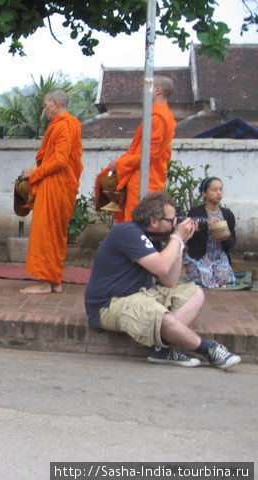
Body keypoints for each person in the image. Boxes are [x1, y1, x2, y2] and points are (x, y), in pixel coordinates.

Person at [84, 191, 241, 370]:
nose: (175, 223)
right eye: (171, 220)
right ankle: (209, 349)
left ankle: (161, 348)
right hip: (111, 303)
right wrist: (177, 237)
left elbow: (169, 281)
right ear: (154, 221)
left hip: (142, 294)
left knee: (195, 293)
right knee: (160, 315)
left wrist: (181, 244)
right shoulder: (127, 232)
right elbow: (161, 267)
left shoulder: (154, 236)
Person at [20, 89, 83, 294]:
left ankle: (45, 282)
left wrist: (34, 173)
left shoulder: (65, 125)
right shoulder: (67, 124)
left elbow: (60, 160)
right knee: (55, 234)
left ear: (55, 103)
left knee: (46, 233)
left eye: (46, 105)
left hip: (55, 186)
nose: (45, 109)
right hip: (58, 186)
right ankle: (54, 280)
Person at [106, 75, 176, 222]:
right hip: (149, 175)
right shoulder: (163, 114)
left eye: (146, 88)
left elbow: (148, 155)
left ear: (156, 90)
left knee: (136, 223)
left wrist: (119, 163)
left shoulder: (158, 117)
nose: (143, 92)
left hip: (144, 178)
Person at [183, 176, 237, 288]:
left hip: (219, 257)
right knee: (205, 280)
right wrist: (206, 224)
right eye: (214, 190)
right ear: (204, 193)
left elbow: (233, 240)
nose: (219, 193)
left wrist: (227, 238)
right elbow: (189, 235)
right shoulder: (196, 212)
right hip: (199, 256)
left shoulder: (227, 214)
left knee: (225, 279)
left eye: (220, 189)